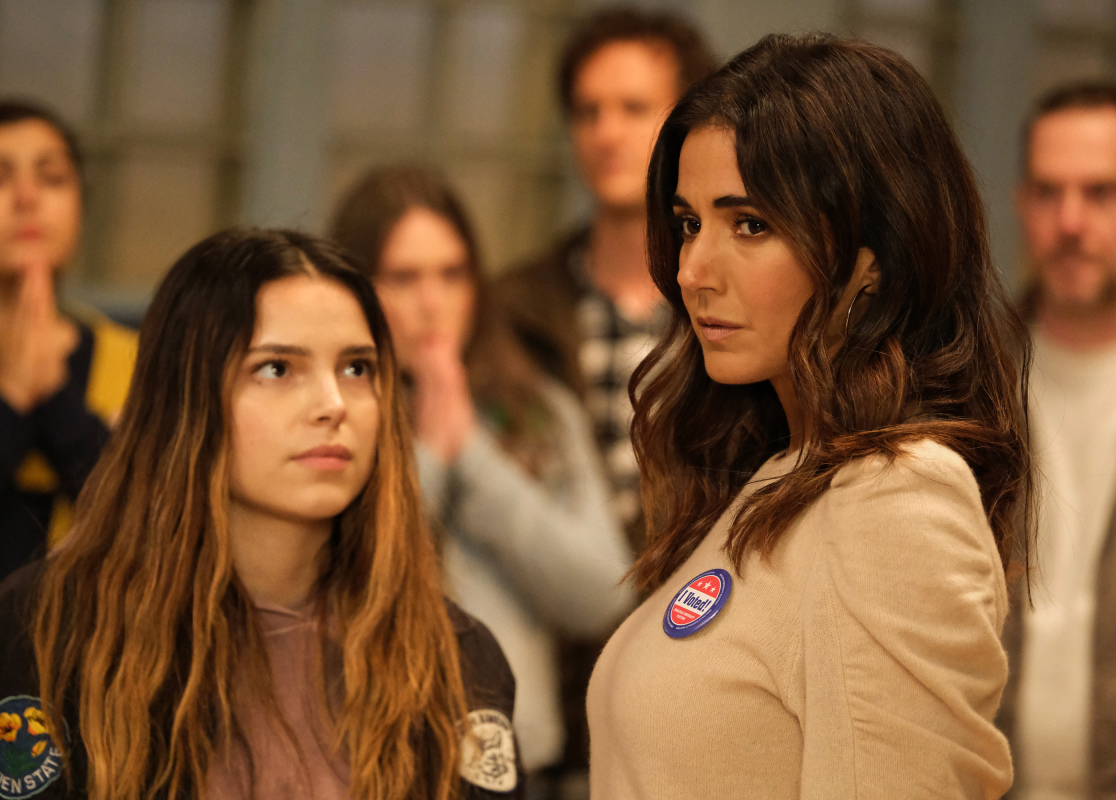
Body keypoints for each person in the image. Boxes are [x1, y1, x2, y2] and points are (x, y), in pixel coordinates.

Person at [587, 33, 1033, 799]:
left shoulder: (898, 498)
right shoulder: (780, 471)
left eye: (749, 225)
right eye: (689, 223)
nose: (692, 271)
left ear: (872, 259)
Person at [0, 228, 524, 800]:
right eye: (276, 369)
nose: (333, 405)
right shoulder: (44, 633)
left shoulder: (455, 659)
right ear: (186, 397)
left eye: (356, 369)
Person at [329, 166, 633, 786]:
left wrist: (472, 455)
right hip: (363, 756)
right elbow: (351, 578)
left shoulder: (536, 410)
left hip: (516, 759)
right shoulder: (331, 413)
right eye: (403, 278)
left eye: (452, 274)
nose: (433, 303)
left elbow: (601, 594)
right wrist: (431, 456)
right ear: (355, 289)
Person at [491, 11, 713, 787]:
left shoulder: (724, 305)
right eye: (588, 111)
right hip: (549, 693)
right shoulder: (513, 310)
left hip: (696, 685)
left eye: (634, 108)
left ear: (687, 126)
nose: (607, 133)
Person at [998, 82, 1116, 799]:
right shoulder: (965, 388)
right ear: (1022, 205)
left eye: (1101, 194)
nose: (1069, 222)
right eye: (1048, 193)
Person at [0, 100, 137, 594]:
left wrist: (55, 396)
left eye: (51, 178)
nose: (27, 198)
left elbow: (150, 524)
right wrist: (6, 400)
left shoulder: (138, 362)